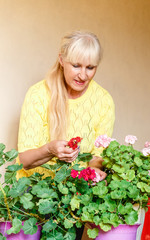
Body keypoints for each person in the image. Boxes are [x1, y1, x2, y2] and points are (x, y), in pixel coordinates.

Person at [16, 30, 115, 240]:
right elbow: (24, 161)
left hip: (71, 201)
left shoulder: (103, 101)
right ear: (62, 60)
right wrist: (50, 149)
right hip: (31, 196)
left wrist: (94, 172)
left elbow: (98, 155)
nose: (83, 75)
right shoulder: (38, 95)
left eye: (90, 67)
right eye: (76, 65)